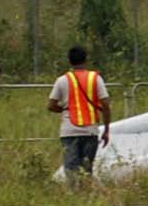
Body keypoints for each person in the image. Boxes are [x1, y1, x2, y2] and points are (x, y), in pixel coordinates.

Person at [47, 45, 112, 176]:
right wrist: (106, 129)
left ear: (69, 61)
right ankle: (85, 193)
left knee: (71, 169)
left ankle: (73, 194)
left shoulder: (62, 80)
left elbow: (50, 105)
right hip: (90, 130)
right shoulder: (95, 78)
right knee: (86, 169)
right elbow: (105, 104)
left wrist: (64, 109)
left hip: (69, 131)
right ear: (86, 60)